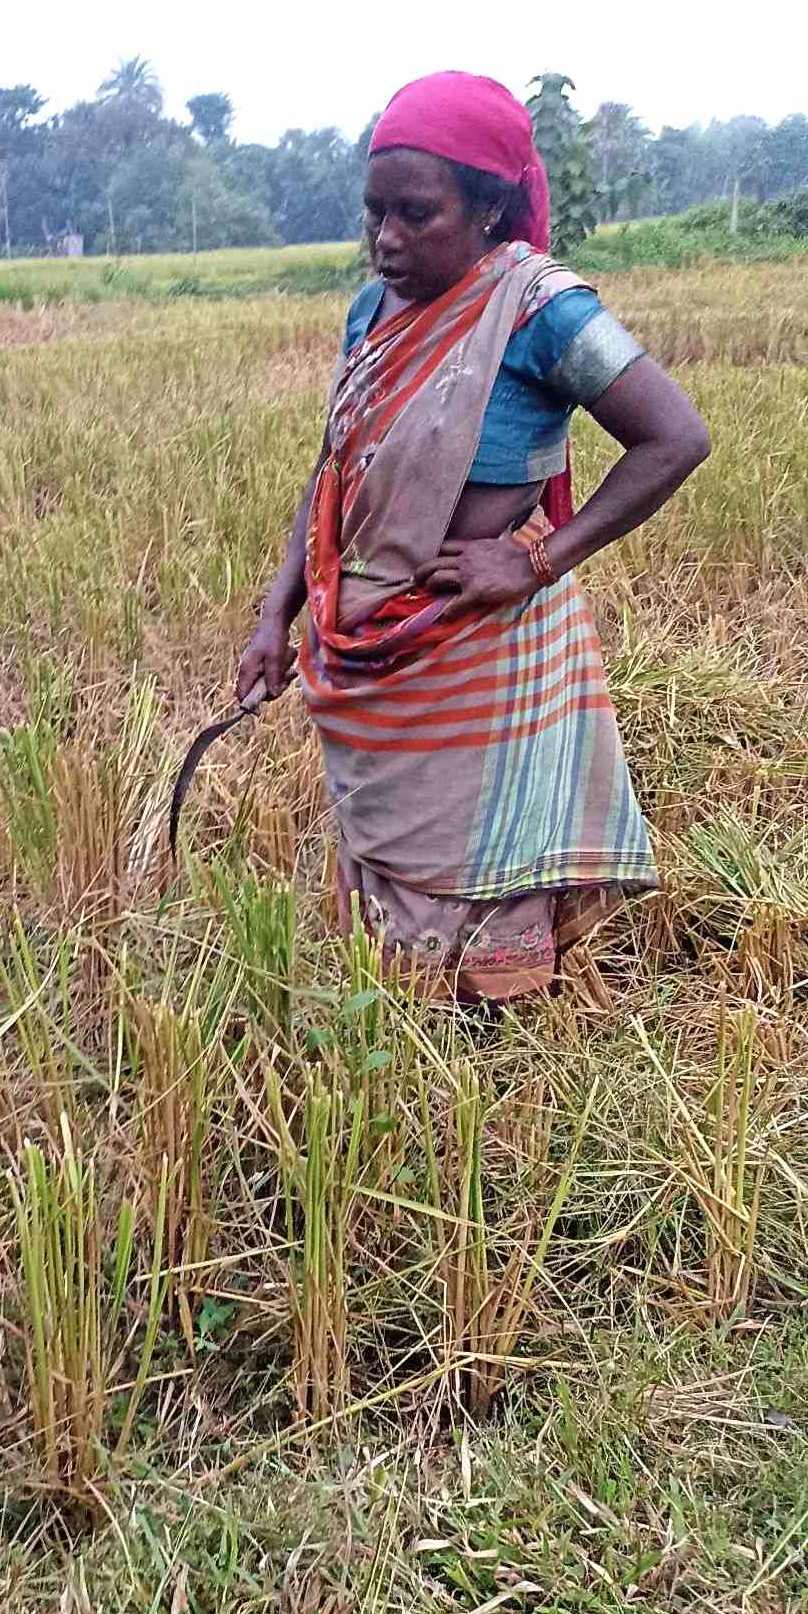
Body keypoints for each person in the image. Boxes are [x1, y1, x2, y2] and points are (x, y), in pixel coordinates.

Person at [236, 71, 710, 1002]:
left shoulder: (541, 309)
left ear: (491, 207)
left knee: (486, 862)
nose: (386, 240)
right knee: (390, 866)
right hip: (371, 640)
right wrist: (274, 610)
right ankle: (409, 1050)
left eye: (416, 214)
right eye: (373, 214)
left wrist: (534, 559)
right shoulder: (371, 313)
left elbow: (676, 437)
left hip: (482, 641)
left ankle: (489, 1067)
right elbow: (336, 470)